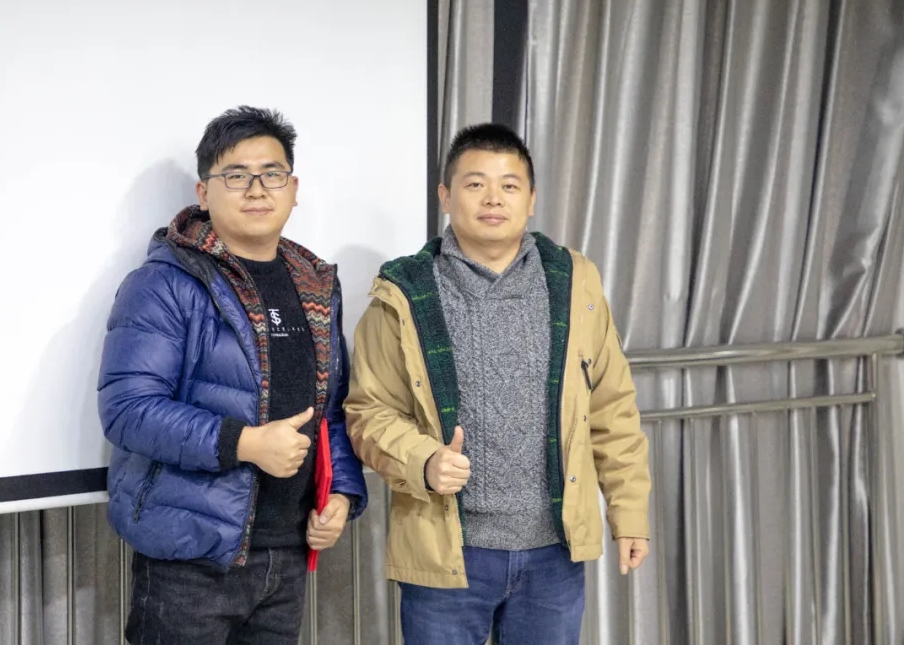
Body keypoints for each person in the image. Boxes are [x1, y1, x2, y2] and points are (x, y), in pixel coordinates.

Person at [345, 123, 651, 644]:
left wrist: (630, 513)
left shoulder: (575, 282)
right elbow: (368, 411)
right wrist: (424, 460)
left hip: (553, 553)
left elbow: (611, 406)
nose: (493, 198)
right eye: (475, 184)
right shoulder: (403, 293)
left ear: (531, 200)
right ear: (445, 196)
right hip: (446, 552)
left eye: (509, 185)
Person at [98, 106, 367, 644]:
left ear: (293, 189)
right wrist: (245, 443)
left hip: (287, 556)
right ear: (204, 193)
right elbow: (128, 410)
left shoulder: (316, 285)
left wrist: (341, 494)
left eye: (272, 173)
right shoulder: (164, 283)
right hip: (190, 558)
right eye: (236, 175)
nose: (257, 189)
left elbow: (331, 409)